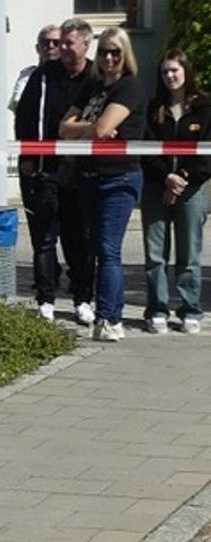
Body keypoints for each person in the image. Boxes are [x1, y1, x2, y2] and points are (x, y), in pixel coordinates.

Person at [60, 27, 148, 342]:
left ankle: (110, 318)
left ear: (125, 55)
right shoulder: (93, 87)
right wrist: (93, 128)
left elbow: (101, 130)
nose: (109, 58)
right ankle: (111, 312)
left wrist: (92, 129)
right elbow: (64, 128)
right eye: (104, 52)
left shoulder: (130, 87)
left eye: (115, 52)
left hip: (118, 177)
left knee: (109, 249)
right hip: (89, 176)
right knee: (97, 248)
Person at [15, 18, 98, 323]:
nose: (61, 48)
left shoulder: (95, 79)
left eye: (68, 43)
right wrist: (27, 156)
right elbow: (24, 117)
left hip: (81, 173)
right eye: (59, 42)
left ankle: (82, 298)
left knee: (80, 239)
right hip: (45, 170)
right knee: (44, 238)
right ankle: (45, 298)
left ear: (85, 45)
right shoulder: (44, 76)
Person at [140, 48, 211, 335]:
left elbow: (206, 157)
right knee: (155, 254)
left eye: (175, 70)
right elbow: (145, 151)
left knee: (189, 253)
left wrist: (180, 179)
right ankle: (156, 310)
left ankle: (190, 309)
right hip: (156, 188)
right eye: (165, 71)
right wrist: (165, 177)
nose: (170, 76)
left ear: (185, 72)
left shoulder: (205, 108)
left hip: (191, 191)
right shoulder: (153, 108)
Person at [8, 24, 61, 112]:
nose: (51, 46)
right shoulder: (28, 75)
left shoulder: (69, 76)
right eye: (45, 42)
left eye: (56, 43)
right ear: (37, 48)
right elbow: (17, 104)